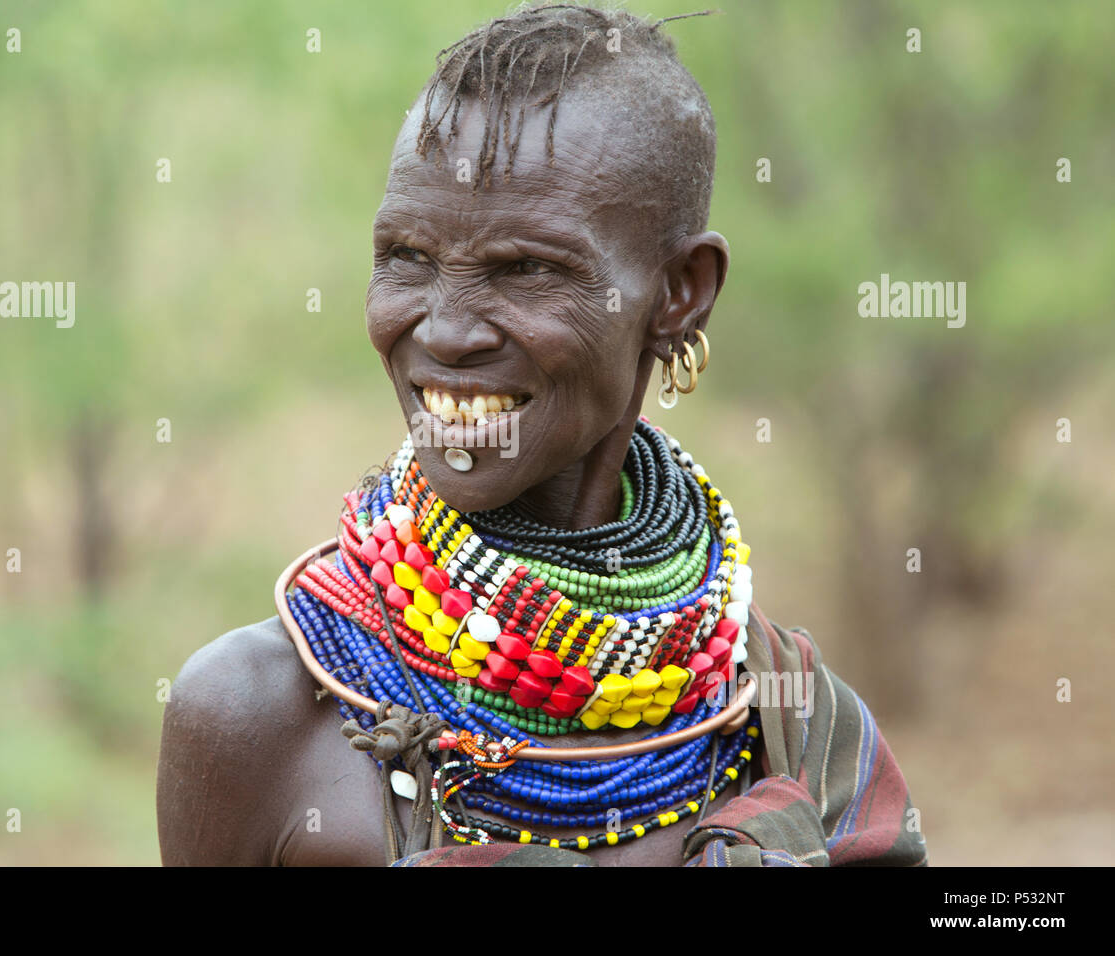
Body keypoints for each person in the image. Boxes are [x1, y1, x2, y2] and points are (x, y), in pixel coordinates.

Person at [157, 3, 927, 867]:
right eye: (405, 257)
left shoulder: (786, 720)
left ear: (680, 293)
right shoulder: (259, 713)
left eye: (526, 269)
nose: (445, 332)